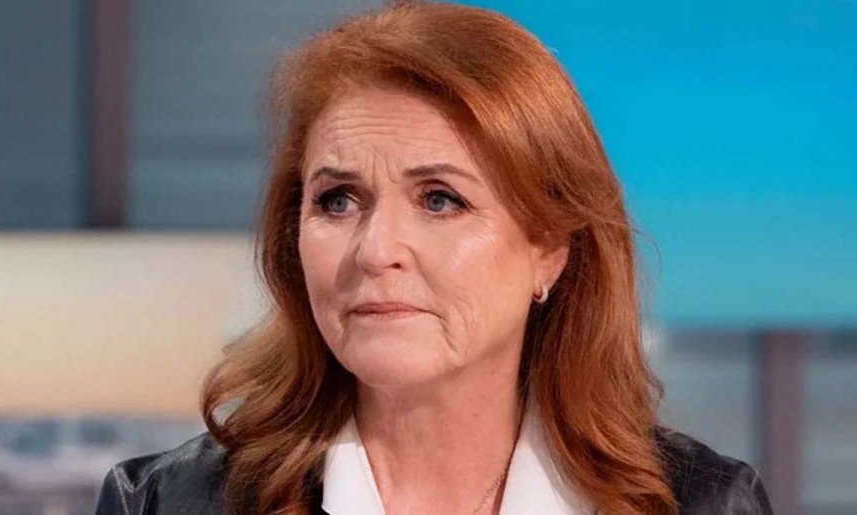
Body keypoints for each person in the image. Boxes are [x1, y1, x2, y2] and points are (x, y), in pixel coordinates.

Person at [95, 2, 772, 514]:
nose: (377, 250)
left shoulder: (702, 504)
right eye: (337, 201)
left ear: (549, 248)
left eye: (441, 200)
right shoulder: (162, 503)